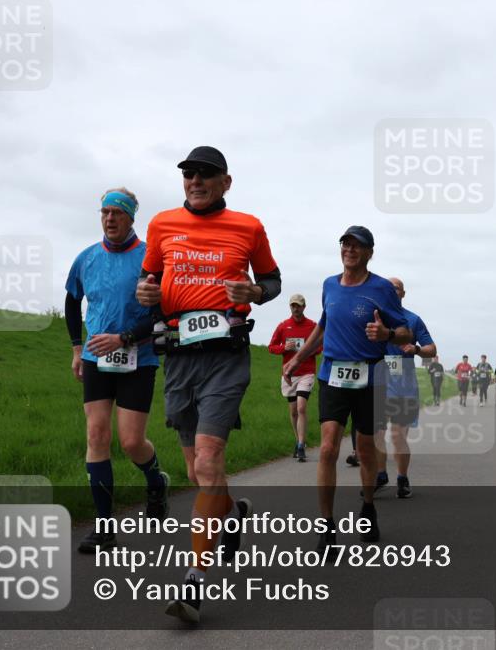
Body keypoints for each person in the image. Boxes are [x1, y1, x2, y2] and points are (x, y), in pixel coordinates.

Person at [136, 146, 282, 623]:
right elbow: (149, 283)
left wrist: (256, 292)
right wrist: (146, 292)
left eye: (204, 175)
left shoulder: (249, 226)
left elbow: (273, 281)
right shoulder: (160, 225)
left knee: (208, 458)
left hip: (226, 356)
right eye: (188, 175)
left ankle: (195, 583)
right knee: (199, 476)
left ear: (225, 182)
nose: (194, 182)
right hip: (179, 357)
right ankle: (233, 512)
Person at [283, 226, 411, 549]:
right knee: (328, 448)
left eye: (357, 246)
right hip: (333, 376)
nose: (350, 250)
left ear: (369, 252)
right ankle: (326, 526)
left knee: (366, 449)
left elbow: (405, 332)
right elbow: (323, 326)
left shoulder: (381, 289)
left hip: (370, 376)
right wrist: (298, 358)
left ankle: (368, 506)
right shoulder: (329, 285)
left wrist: (386, 336)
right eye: (345, 244)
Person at [66, 187, 170, 554]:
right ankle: (105, 527)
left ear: (131, 218)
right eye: (105, 212)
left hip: (138, 359)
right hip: (97, 359)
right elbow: (71, 300)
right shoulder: (86, 258)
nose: (110, 219)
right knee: (96, 435)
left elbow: (162, 317)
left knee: (130, 441)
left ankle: (156, 481)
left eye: (118, 213)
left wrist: (124, 338)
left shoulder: (149, 259)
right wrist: (78, 348)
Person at [374, 277, 436, 499]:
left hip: (404, 383)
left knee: (398, 435)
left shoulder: (413, 319)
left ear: (403, 293)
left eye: (396, 288)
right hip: (379, 379)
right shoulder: (375, 317)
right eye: (388, 288)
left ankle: (402, 478)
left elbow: (431, 348)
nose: (392, 291)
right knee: (375, 433)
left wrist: (417, 350)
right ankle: (380, 475)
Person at [268, 294, 320, 461]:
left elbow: (320, 346)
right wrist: (284, 347)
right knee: (293, 411)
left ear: (304, 307)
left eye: (298, 306)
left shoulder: (312, 326)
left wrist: (306, 350)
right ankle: (298, 440)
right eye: (293, 306)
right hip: (289, 374)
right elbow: (271, 347)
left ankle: (301, 446)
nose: (295, 308)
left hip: (307, 372)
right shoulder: (283, 326)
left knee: (301, 408)